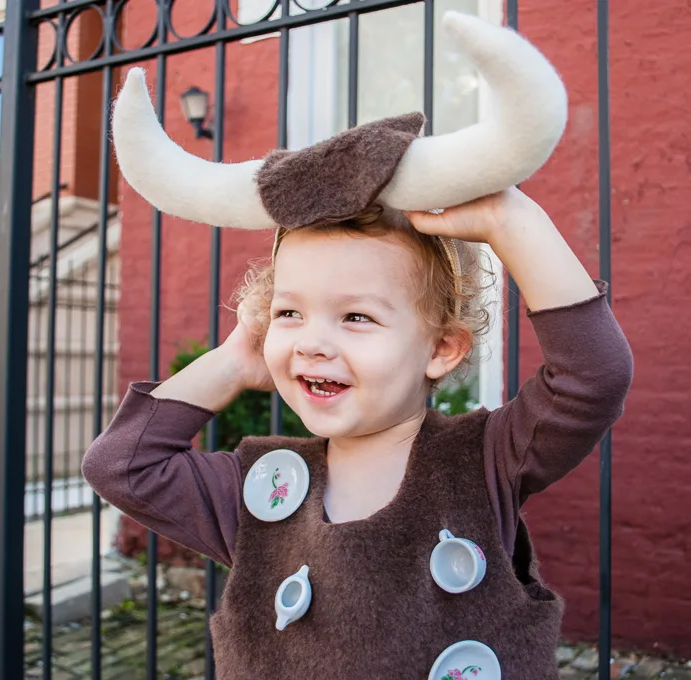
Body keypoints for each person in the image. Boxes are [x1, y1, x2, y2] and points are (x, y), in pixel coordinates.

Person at [82, 12, 633, 680]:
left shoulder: (486, 461)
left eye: (356, 318)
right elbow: (122, 467)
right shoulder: (260, 490)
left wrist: (509, 220)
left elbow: (591, 377)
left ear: (443, 349)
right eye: (290, 311)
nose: (313, 342)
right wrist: (232, 362)